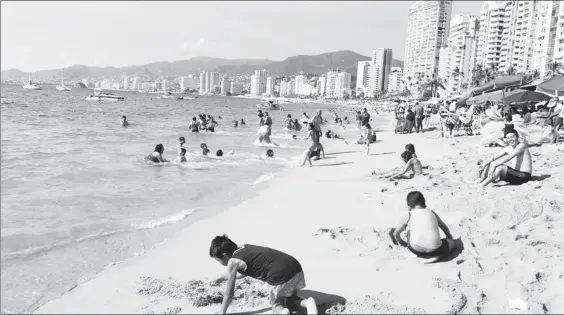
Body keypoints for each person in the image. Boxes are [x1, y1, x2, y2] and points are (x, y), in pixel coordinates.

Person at [209, 235, 318, 315]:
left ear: (225, 256)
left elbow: (229, 293)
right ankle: (307, 303)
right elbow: (246, 271)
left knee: (276, 305)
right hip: (295, 267)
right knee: (290, 300)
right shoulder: (245, 248)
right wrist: (223, 278)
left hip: (280, 274)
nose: (220, 264)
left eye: (218, 261)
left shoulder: (232, 261)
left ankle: (283, 312)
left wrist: (221, 312)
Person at [391, 191, 456, 261]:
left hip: (416, 250)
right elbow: (444, 228)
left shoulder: (409, 215)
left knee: (409, 232)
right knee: (452, 243)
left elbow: (395, 234)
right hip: (436, 250)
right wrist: (449, 237)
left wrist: (402, 243)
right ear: (424, 203)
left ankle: (423, 256)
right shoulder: (432, 212)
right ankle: (436, 256)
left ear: (409, 206)